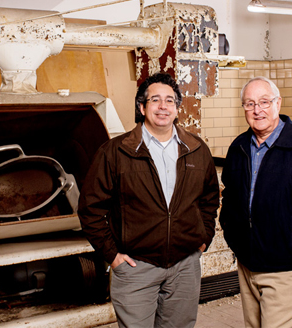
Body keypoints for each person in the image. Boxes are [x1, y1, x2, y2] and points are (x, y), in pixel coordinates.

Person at [78, 72, 220, 328]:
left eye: (169, 100)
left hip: (185, 265)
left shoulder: (197, 149)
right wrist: (113, 256)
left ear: (177, 108)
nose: (163, 106)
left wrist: (203, 238)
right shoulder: (116, 152)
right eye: (155, 100)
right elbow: (90, 209)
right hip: (136, 267)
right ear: (142, 107)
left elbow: (209, 199)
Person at [220, 76, 292, 328]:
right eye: (249, 104)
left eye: (264, 102)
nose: (257, 110)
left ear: (278, 103)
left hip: (286, 269)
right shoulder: (239, 147)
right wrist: (236, 241)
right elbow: (229, 198)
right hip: (247, 266)